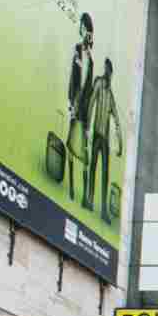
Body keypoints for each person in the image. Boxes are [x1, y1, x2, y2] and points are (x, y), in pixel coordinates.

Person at [84, 58, 124, 222]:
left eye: (110, 72)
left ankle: (103, 211)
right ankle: (90, 201)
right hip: (97, 135)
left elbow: (116, 119)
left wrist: (120, 144)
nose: (108, 74)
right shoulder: (99, 84)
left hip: (106, 139)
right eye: (106, 70)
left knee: (105, 173)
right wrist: (87, 126)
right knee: (93, 166)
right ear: (104, 70)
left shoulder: (111, 94)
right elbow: (91, 102)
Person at [66, 12, 94, 203]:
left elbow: (90, 91)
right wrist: (70, 101)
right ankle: (70, 189)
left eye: (85, 28)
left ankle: (84, 194)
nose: (83, 31)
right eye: (81, 27)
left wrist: (89, 121)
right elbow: (72, 78)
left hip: (84, 110)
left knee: (83, 150)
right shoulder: (77, 50)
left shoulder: (91, 61)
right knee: (70, 144)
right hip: (75, 104)